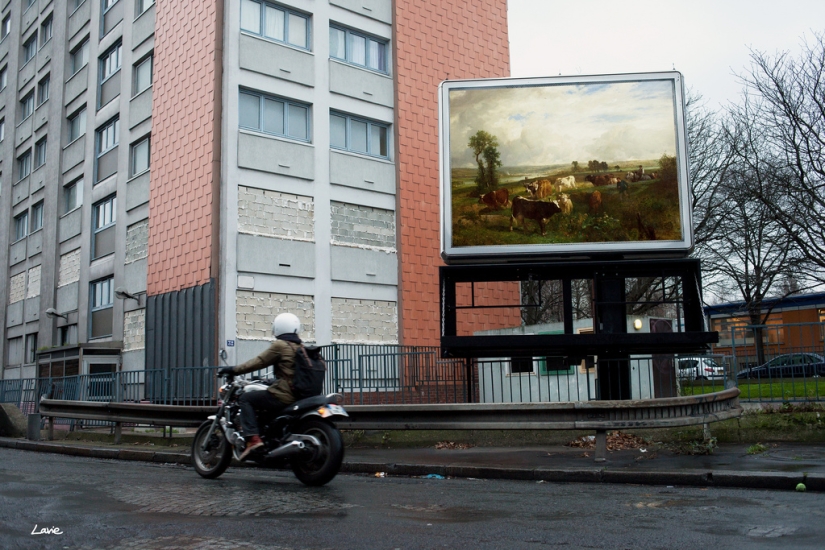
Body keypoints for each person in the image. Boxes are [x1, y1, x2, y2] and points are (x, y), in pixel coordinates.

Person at [218, 313, 302, 460]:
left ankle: (254, 440)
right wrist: (270, 381)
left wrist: (233, 369)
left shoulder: (280, 345)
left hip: (285, 395)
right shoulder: (301, 348)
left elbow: (259, 362)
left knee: (246, 398)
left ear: (277, 328)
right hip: (300, 394)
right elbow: (289, 374)